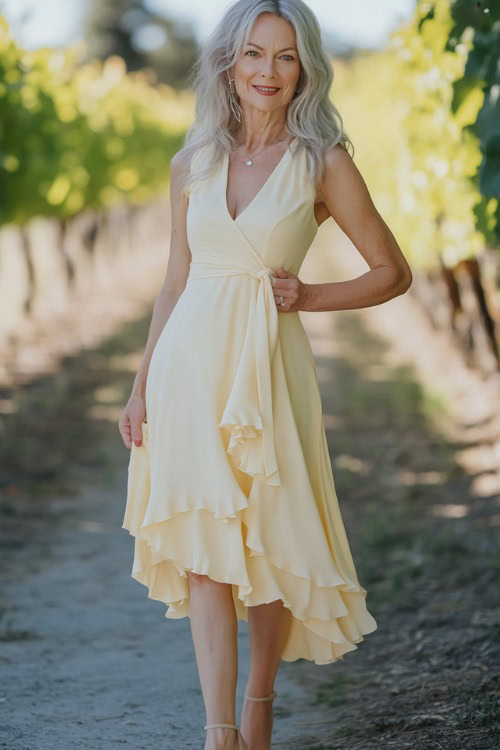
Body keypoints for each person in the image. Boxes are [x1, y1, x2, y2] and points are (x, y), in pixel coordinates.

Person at [119, 1, 412, 748]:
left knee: (273, 540)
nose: (268, 72)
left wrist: (310, 296)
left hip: (268, 370)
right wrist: (139, 382)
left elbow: (391, 273)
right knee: (207, 554)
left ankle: (259, 709)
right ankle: (219, 733)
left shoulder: (323, 162)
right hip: (188, 368)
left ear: (305, 67)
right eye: (254, 54)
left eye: (285, 57)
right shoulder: (191, 163)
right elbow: (175, 281)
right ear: (228, 62)